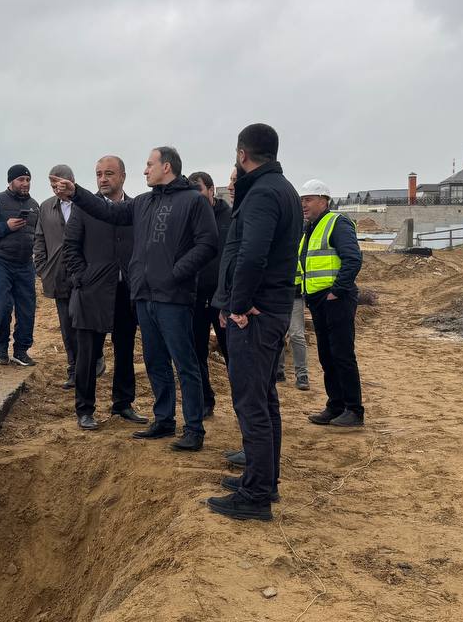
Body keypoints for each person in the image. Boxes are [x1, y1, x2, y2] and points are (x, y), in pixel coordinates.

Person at [51, 147, 218, 452]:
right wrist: (76, 193)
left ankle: (194, 428)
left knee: (184, 363)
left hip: (173, 297)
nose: (145, 170)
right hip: (143, 296)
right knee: (155, 362)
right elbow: (109, 212)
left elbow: (208, 244)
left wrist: (176, 273)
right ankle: (164, 420)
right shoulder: (144, 202)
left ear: (166, 167)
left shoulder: (193, 201)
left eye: (149, 164)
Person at [206, 123, 301, 521]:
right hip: (271, 310)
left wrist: (239, 305)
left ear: (242, 154)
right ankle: (264, 480)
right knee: (264, 399)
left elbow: (252, 255)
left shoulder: (262, 193)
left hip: (256, 317)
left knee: (252, 404)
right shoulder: (283, 189)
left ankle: (256, 495)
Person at [62, 156, 148, 429]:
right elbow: (70, 247)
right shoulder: (83, 208)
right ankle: (85, 409)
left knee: (125, 350)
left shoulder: (135, 209)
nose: (103, 178)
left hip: (126, 292)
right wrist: (82, 278)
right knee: (88, 354)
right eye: (99, 173)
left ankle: (123, 403)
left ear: (123, 176)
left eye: (109, 173)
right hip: (92, 292)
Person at [297, 179, 365, 427]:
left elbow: (353, 259)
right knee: (326, 355)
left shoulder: (337, 222)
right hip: (318, 300)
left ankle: (354, 409)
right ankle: (335, 405)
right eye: (302, 200)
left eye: (309, 200)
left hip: (336, 299)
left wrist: (337, 291)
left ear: (323, 201)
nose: (304, 204)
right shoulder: (310, 228)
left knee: (342, 354)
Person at [0, 165, 41, 366]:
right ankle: (1, 348)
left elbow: (40, 235)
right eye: (21, 179)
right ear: (11, 181)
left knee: (27, 310)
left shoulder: (34, 206)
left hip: (25, 265)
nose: (25, 183)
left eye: (28, 180)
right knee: (2, 307)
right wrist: (5, 226)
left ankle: (21, 351)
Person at [188, 171, 232, 417]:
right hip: (195, 298)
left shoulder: (230, 218)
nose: (196, 196)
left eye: (200, 190)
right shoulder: (189, 218)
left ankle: (242, 403)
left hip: (222, 299)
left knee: (231, 352)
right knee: (196, 352)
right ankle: (205, 401)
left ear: (212, 190)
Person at [33, 164, 79, 388]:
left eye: (59, 185)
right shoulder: (46, 207)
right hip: (58, 276)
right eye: (52, 186)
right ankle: (74, 369)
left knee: (85, 322)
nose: (56, 190)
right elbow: (39, 238)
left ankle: (93, 361)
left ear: (71, 182)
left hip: (83, 276)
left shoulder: (86, 204)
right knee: (67, 326)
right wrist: (42, 268)